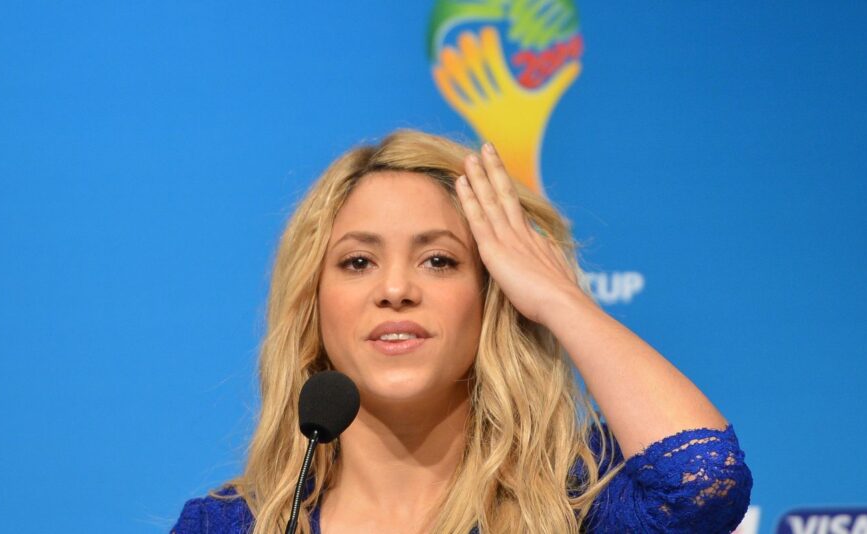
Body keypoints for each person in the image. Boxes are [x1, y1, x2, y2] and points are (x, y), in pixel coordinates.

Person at [172, 130, 751, 534]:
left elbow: (705, 483)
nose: (395, 289)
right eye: (358, 262)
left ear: (492, 295)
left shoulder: (577, 499)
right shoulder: (231, 526)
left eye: (439, 261)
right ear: (313, 305)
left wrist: (560, 299)